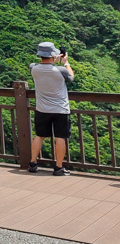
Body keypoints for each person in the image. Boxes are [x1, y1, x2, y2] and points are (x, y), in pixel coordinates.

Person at [28, 42, 74, 176]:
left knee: (39, 136)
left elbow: (41, 66)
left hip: (42, 109)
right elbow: (71, 77)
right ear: (53, 55)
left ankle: (32, 163)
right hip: (60, 109)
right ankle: (58, 168)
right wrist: (65, 62)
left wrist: (54, 60)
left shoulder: (33, 68)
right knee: (60, 137)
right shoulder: (61, 70)